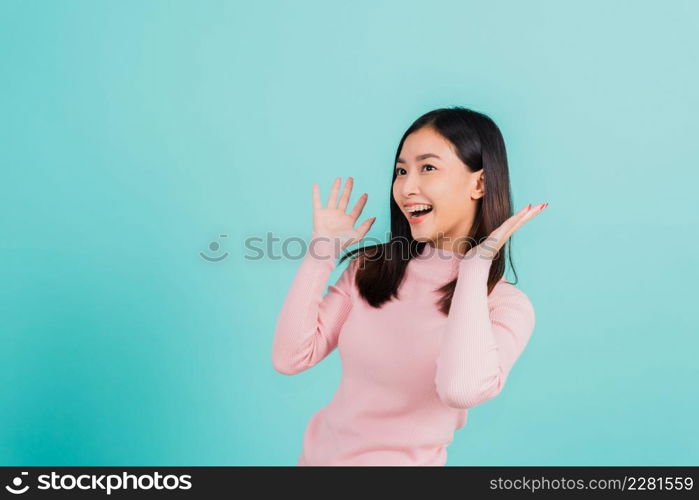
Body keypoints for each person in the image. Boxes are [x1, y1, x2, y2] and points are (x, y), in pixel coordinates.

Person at [271, 106, 547, 466]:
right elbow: (291, 357)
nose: (406, 187)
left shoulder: (504, 306)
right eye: (401, 171)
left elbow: (459, 390)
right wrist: (321, 251)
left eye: (428, 168)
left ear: (479, 183)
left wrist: (474, 270)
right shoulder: (370, 269)